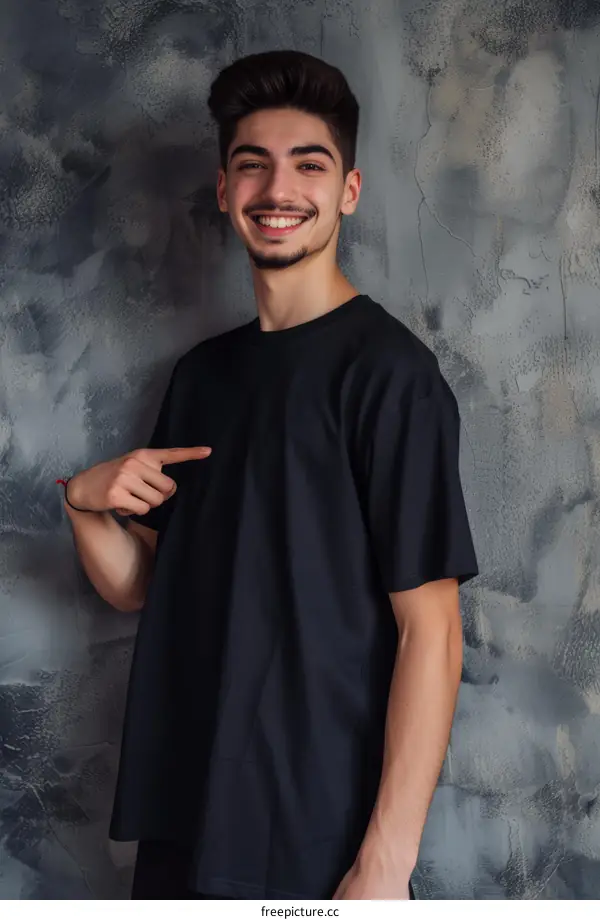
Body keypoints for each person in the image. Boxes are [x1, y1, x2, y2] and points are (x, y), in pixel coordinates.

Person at [62, 50, 479, 900]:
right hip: (187, 815)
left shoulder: (390, 376)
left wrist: (385, 862)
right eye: (252, 164)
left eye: (308, 164)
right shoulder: (202, 378)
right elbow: (144, 585)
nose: (277, 188)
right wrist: (83, 504)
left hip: (314, 830)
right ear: (224, 190)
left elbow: (431, 633)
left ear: (349, 191)